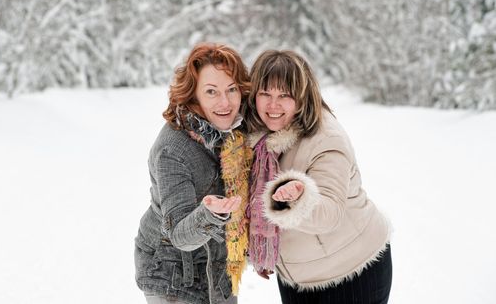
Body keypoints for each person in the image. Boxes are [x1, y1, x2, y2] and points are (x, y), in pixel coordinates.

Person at [245, 50, 392, 304]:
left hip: (351, 273)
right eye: (265, 94)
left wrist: (295, 200)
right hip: (297, 278)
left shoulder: (326, 139)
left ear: (302, 98)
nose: (273, 105)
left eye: (284, 95)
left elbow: (329, 213)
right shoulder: (259, 140)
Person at [134, 43, 252, 304]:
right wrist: (210, 213)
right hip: (171, 272)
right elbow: (179, 234)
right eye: (211, 92)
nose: (225, 102)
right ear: (193, 95)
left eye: (231, 90)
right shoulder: (172, 149)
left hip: (218, 265)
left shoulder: (236, 131)